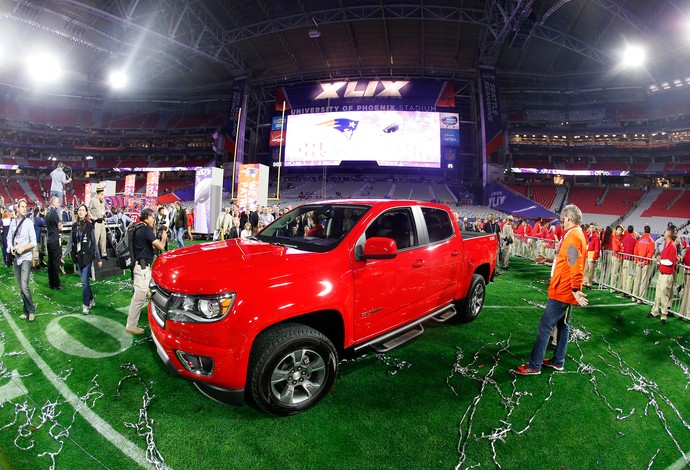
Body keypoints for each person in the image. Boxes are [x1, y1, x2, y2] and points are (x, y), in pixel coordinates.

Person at [514, 204, 588, 375]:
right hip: (564, 287)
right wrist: (548, 260)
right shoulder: (575, 234)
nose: (561, 220)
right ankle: (558, 361)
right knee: (563, 326)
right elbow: (565, 260)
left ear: (569, 218)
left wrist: (575, 289)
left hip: (563, 290)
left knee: (545, 326)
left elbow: (574, 263)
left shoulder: (573, 236)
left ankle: (534, 365)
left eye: (563, 218)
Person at [125, 207, 167, 335]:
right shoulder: (144, 230)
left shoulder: (137, 227)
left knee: (151, 292)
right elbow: (160, 246)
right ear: (147, 217)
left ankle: (155, 317)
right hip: (142, 267)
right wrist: (164, 237)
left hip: (141, 266)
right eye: (152, 217)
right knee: (139, 296)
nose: (153, 219)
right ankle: (131, 325)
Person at [63, 204, 102, 314]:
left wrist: (99, 258)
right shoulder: (74, 226)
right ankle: (91, 299)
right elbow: (70, 242)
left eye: (83, 210)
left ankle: (85, 306)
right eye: (79, 210)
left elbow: (94, 243)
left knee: (84, 283)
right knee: (85, 282)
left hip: (87, 257)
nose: (80, 212)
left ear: (86, 213)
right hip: (78, 257)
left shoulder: (90, 225)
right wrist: (63, 255)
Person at [7, 199, 36, 321]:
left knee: (24, 286)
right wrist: (11, 248)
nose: (25, 208)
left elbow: (33, 242)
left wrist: (23, 248)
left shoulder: (29, 222)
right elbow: (8, 239)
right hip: (16, 259)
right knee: (20, 287)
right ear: (17, 209)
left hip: (26, 257)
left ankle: (31, 311)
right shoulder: (13, 222)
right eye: (22, 206)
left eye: (26, 206)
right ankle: (25, 311)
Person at [647, 227, 677, 324]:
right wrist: (660, 260)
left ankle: (664, 315)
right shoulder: (666, 245)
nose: (664, 233)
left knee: (664, 296)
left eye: (666, 232)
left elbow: (670, 262)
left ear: (669, 234)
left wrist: (660, 261)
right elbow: (665, 259)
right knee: (658, 294)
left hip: (667, 275)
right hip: (662, 273)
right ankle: (654, 311)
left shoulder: (672, 246)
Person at [631, 225, 655, 303]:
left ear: (644, 231)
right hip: (645, 263)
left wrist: (637, 260)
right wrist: (644, 262)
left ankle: (634, 296)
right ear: (650, 232)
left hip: (638, 262)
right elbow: (650, 253)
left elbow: (635, 250)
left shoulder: (640, 239)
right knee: (644, 280)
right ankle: (640, 298)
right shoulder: (651, 241)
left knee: (637, 279)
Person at [46, 196, 64, 290]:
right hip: (55, 240)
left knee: (50, 262)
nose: (58, 203)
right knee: (56, 262)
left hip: (49, 240)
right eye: (57, 202)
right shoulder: (54, 213)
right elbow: (60, 226)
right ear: (53, 202)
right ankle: (56, 284)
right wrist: (61, 225)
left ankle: (51, 282)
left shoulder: (47, 213)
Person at [88, 183, 108, 259]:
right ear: (99, 192)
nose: (103, 194)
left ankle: (104, 253)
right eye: (102, 193)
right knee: (95, 238)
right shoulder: (93, 200)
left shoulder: (102, 200)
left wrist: (105, 216)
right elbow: (88, 210)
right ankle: (94, 253)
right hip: (96, 222)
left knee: (103, 238)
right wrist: (92, 217)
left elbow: (103, 210)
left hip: (102, 221)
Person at [621, 225, 637, 295]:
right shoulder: (634, 239)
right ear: (633, 231)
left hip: (625, 259)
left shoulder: (625, 238)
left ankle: (624, 290)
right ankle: (628, 291)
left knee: (624, 275)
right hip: (631, 260)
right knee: (630, 275)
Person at [583, 223, 600, 289]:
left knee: (591, 270)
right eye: (591, 227)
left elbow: (597, 248)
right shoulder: (588, 235)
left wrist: (595, 257)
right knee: (586, 269)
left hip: (592, 254)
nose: (592, 228)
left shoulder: (596, 237)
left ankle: (589, 283)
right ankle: (585, 281)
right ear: (589, 228)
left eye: (593, 227)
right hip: (587, 254)